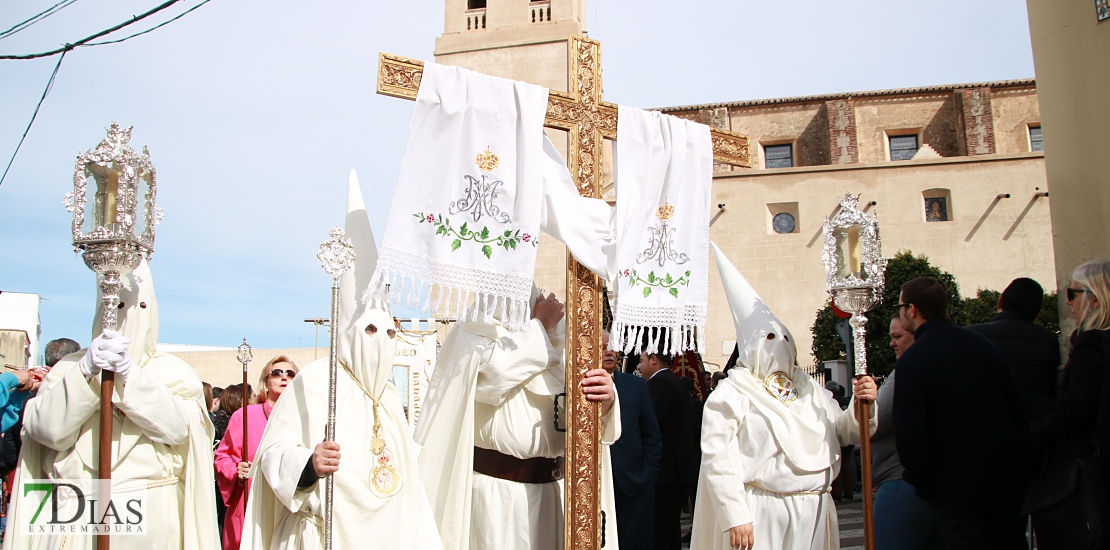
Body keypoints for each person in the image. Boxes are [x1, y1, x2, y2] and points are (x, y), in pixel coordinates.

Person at [241, 175, 440, 549]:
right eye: (369, 331)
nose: (380, 342)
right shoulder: (318, 382)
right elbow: (272, 455)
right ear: (349, 333)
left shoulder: (390, 400)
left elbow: (409, 486)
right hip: (322, 535)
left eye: (390, 333)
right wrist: (309, 464)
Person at [4, 260, 219, 549]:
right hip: (76, 515)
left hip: (152, 519)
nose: (130, 316)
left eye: (141, 307)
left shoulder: (175, 373)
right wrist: (86, 374)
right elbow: (46, 431)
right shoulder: (68, 368)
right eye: (118, 306)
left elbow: (181, 431)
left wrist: (132, 378)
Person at [691, 243, 877, 550]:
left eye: (785, 337)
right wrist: (735, 515)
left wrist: (861, 404)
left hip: (815, 508)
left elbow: (845, 432)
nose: (780, 345)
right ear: (750, 347)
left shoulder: (811, 390)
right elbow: (718, 456)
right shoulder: (732, 393)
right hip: (762, 511)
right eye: (769, 338)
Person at [417, 289, 620, 550]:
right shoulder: (475, 329)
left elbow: (583, 405)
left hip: (556, 494)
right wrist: (540, 326)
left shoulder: (558, 337)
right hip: (497, 499)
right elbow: (492, 378)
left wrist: (606, 400)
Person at [893, 276, 1029, 549]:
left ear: (912, 310)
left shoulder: (914, 360)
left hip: (952, 486)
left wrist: (923, 480)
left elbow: (909, 432)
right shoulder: (981, 344)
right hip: (1003, 477)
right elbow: (1017, 406)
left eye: (900, 306)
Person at [1029, 260, 1110, 544]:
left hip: (1088, 467)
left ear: (1095, 299)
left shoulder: (1091, 345)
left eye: (1072, 294)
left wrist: (1038, 430)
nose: (1069, 304)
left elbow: (1075, 406)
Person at [872, 317, 942, 550]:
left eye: (897, 337)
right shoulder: (940, 365)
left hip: (901, 479)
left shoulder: (907, 369)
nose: (892, 344)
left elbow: (875, 421)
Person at [215, 356, 297, 550]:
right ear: (266, 382)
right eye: (277, 373)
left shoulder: (302, 418)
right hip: (250, 503)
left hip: (287, 506)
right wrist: (236, 471)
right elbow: (222, 457)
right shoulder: (244, 416)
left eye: (290, 374)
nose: (284, 377)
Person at [967, 277, 1061, 415]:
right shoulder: (1049, 340)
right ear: (1037, 314)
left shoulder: (972, 335)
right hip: (1034, 426)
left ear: (1000, 302)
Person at [604, 330, 662, 550]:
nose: (609, 352)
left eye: (612, 346)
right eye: (602, 347)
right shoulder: (578, 384)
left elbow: (651, 434)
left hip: (632, 482)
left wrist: (649, 473)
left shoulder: (636, 386)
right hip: (594, 481)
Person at [640, 350, 698, 550]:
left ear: (653, 360)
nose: (638, 367)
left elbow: (652, 424)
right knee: (669, 530)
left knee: (662, 532)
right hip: (675, 470)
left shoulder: (661, 383)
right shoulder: (673, 382)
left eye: (641, 361)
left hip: (666, 471)